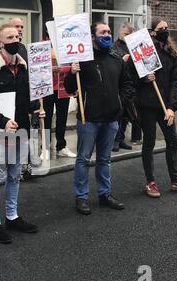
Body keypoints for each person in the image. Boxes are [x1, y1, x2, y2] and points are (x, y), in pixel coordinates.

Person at [0, 24, 44, 244]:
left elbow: (24, 97)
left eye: (17, 36)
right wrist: (3, 121)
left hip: (22, 130)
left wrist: (35, 107)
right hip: (0, 132)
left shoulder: (24, 68)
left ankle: (12, 216)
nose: (15, 39)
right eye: (10, 37)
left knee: (15, 175)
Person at [64, 22, 134, 215]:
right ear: (92, 37)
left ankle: (105, 194)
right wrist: (72, 72)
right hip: (89, 119)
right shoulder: (82, 60)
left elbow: (127, 84)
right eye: (103, 32)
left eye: (109, 32)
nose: (107, 35)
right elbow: (70, 88)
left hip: (111, 118)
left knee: (105, 159)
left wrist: (120, 102)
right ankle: (81, 197)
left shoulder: (116, 59)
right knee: (83, 159)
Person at [136, 18, 177, 198]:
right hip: (148, 105)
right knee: (148, 142)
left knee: (173, 140)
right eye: (161, 28)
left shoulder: (172, 53)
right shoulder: (144, 51)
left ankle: (176, 181)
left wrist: (172, 107)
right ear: (152, 32)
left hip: (165, 107)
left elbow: (176, 81)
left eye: (167, 28)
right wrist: (144, 78)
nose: (165, 30)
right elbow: (131, 78)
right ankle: (150, 182)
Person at [42, 34, 76, 159]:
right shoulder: (42, 47)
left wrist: (63, 69)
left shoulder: (66, 47)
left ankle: (61, 146)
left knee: (62, 118)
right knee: (46, 118)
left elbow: (74, 66)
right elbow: (36, 67)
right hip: (47, 88)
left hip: (63, 87)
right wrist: (49, 68)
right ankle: (45, 148)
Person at [110, 22, 142, 151]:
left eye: (130, 34)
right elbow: (111, 65)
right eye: (126, 34)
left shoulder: (133, 46)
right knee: (118, 114)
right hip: (118, 85)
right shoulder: (113, 46)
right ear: (120, 32)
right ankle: (114, 140)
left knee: (127, 115)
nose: (127, 36)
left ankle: (121, 139)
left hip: (132, 84)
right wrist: (122, 60)